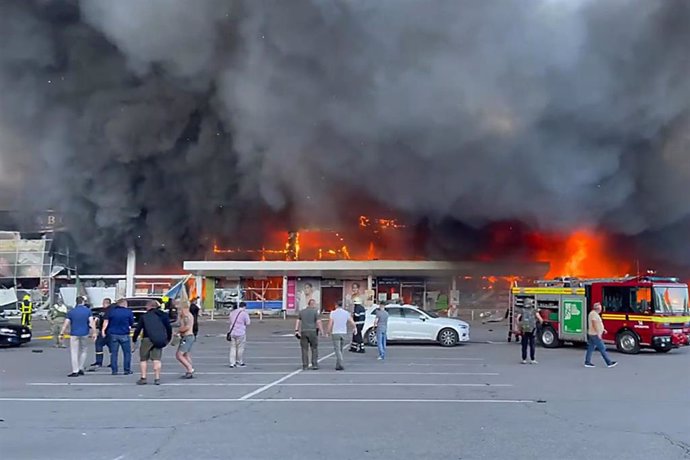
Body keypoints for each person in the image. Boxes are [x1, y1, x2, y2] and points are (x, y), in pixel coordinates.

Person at [132, 300, 172, 385]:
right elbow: (169, 328)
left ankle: (143, 378)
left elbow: (138, 329)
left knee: (143, 359)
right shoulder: (164, 315)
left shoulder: (145, 316)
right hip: (159, 339)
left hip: (147, 339)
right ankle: (157, 378)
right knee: (157, 359)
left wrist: (134, 339)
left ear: (149, 307)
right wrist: (168, 338)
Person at [60, 296, 95, 377]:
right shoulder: (87, 311)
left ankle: (75, 370)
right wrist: (94, 332)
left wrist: (62, 333)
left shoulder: (71, 312)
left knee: (74, 352)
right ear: (83, 302)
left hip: (74, 333)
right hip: (85, 333)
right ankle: (81, 367)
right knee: (84, 350)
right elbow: (91, 322)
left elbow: (66, 323)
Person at [101, 298, 134, 375]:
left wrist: (103, 330)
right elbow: (131, 323)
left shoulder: (111, 311)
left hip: (113, 334)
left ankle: (114, 370)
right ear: (124, 304)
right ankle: (127, 370)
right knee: (127, 353)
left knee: (114, 353)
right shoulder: (128, 312)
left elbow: (106, 321)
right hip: (124, 334)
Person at [585, 302, 618, 368]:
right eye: (600, 308)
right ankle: (609, 363)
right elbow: (594, 324)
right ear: (597, 308)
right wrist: (598, 333)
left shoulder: (594, 314)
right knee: (602, 348)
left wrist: (603, 329)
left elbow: (598, 324)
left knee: (590, 348)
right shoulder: (593, 314)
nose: (601, 309)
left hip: (593, 333)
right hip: (594, 334)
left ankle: (587, 362)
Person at [327, 301, 356, 371]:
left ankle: (340, 360)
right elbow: (352, 322)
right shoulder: (346, 313)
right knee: (340, 349)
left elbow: (330, 323)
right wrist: (354, 328)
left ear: (336, 305)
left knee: (337, 349)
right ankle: (338, 365)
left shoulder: (333, 313)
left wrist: (328, 331)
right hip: (343, 332)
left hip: (335, 332)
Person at [295, 298, 322, 370]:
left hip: (304, 332)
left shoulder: (302, 312)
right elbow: (318, 322)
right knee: (314, 348)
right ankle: (314, 364)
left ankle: (305, 365)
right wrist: (322, 331)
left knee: (304, 349)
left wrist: (296, 330)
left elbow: (298, 321)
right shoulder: (315, 312)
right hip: (313, 332)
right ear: (312, 304)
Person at [89, 298, 112, 371]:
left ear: (107, 303)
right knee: (105, 346)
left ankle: (99, 362)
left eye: (104, 303)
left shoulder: (108, 311)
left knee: (100, 345)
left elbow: (97, 320)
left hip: (106, 331)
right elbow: (97, 319)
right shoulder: (105, 311)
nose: (103, 304)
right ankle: (109, 362)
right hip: (108, 331)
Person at [517, 298, 543, 364]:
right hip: (532, 329)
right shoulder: (534, 310)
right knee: (532, 345)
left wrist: (519, 326)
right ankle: (532, 359)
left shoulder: (522, 310)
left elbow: (517, 319)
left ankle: (524, 359)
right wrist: (539, 324)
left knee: (524, 345)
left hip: (524, 330)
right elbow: (540, 319)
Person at [175, 302, 196, 378]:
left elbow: (187, 327)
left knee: (179, 355)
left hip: (187, 337)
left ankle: (190, 369)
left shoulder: (187, 316)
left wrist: (178, 331)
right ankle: (189, 370)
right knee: (186, 354)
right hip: (187, 337)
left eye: (180, 308)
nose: (179, 310)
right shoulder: (185, 316)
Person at [228, 302, 251, 368]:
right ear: (244, 306)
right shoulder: (244, 313)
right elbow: (248, 323)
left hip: (232, 332)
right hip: (240, 332)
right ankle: (239, 361)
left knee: (233, 348)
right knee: (240, 348)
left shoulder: (232, 313)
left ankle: (232, 363)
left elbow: (230, 321)